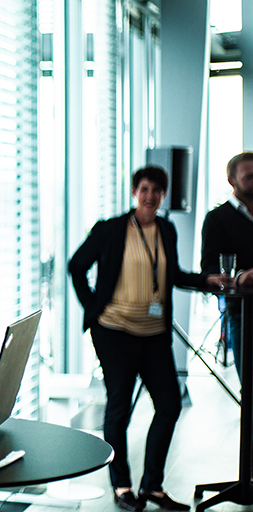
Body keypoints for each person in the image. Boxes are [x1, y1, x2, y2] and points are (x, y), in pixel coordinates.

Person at [69, 166, 224, 512]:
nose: (150, 195)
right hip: (114, 334)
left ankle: (152, 486)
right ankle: (121, 486)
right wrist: (93, 307)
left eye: (157, 190)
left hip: (154, 335)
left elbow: (173, 274)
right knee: (119, 409)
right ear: (134, 192)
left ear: (164, 195)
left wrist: (205, 281)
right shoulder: (111, 229)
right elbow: (76, 266)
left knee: (169, 406)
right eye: (144, 189)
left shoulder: (166, 229)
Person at [201, 152, 253, 380]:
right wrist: (240, 276)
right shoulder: (217, 219)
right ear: (232, 180)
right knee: (250, 386)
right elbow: (209, 267)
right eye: (249, 177)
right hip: (243, 312)